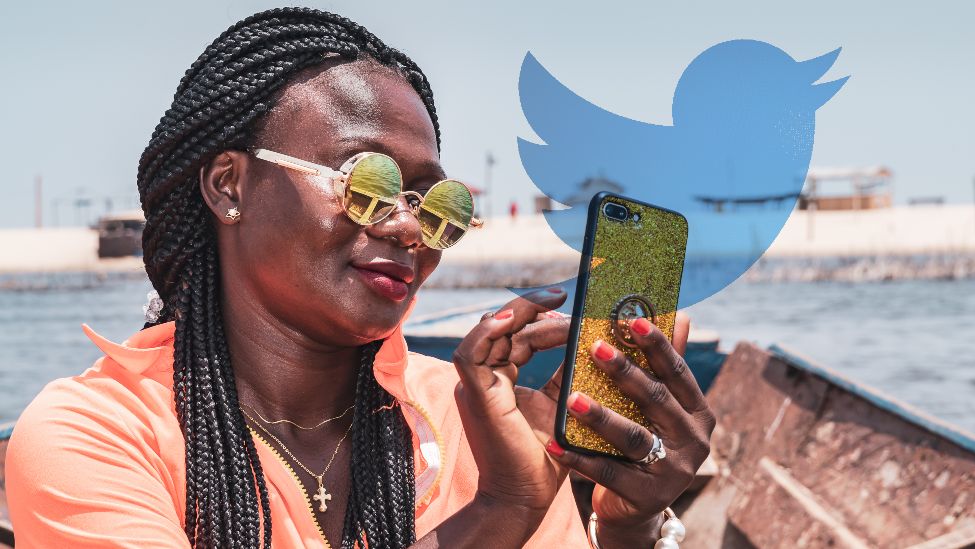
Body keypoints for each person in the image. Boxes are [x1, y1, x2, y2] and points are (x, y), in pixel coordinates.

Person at [6, 7, 714, 548]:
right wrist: (498, 512)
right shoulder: (95, 432)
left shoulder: (470, 419)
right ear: (230, 186)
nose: (409, 228)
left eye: (438, 205)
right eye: (365, 184)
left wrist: (627, 525)